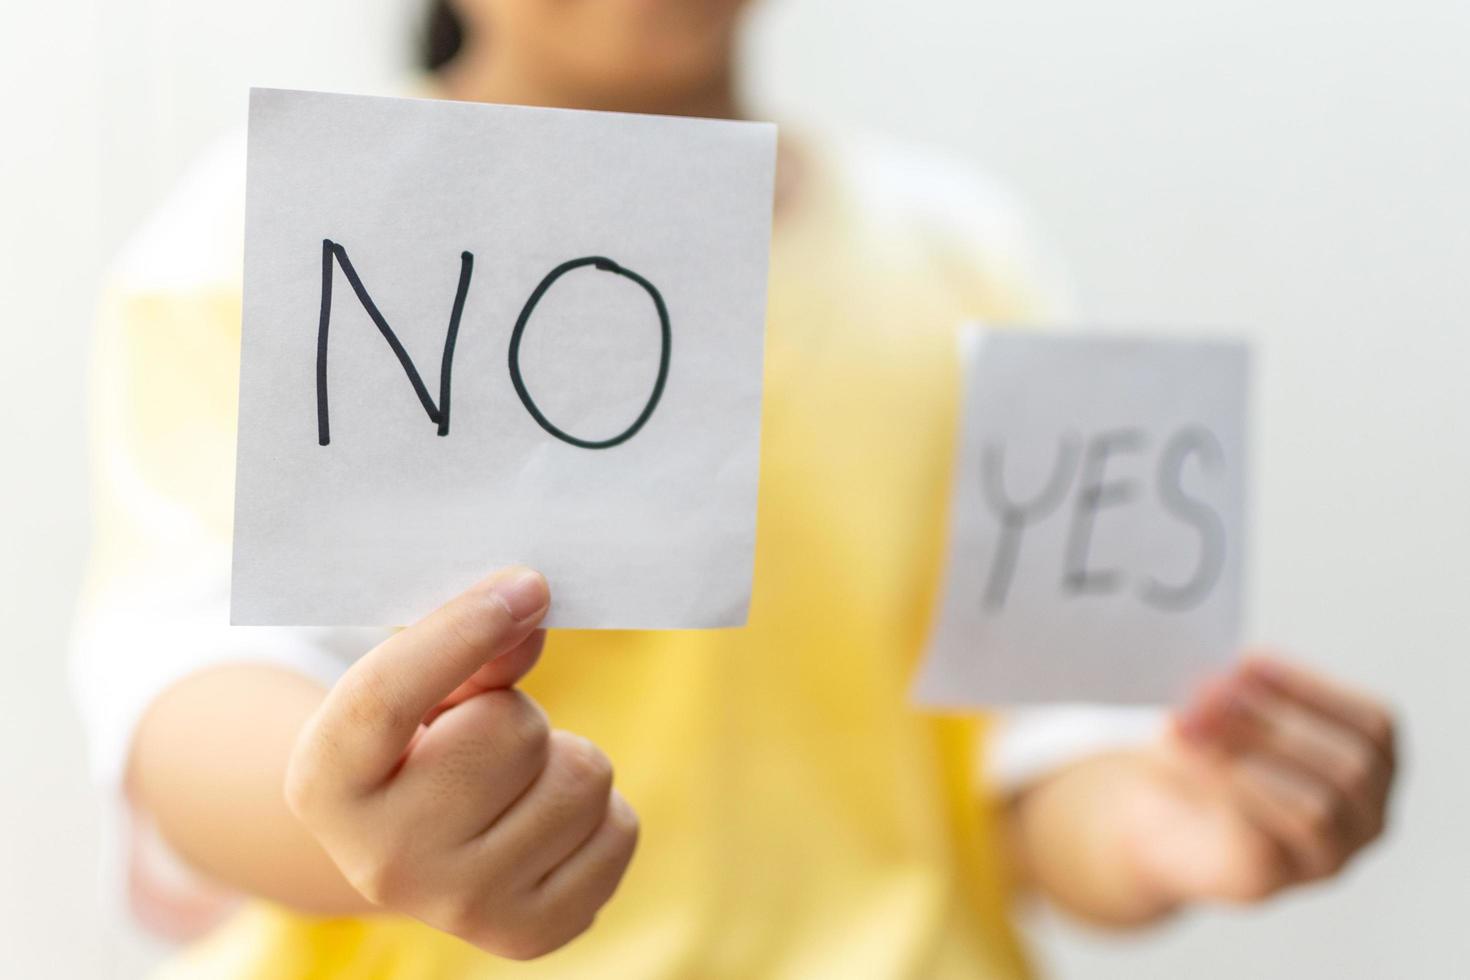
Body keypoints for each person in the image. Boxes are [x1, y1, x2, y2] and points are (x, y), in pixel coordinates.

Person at [73, 1, 1397, 976]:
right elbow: (181, 689)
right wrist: (352, 824)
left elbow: (1041, 773)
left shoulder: (963, 255)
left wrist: (1161, 827)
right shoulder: (266, 234)